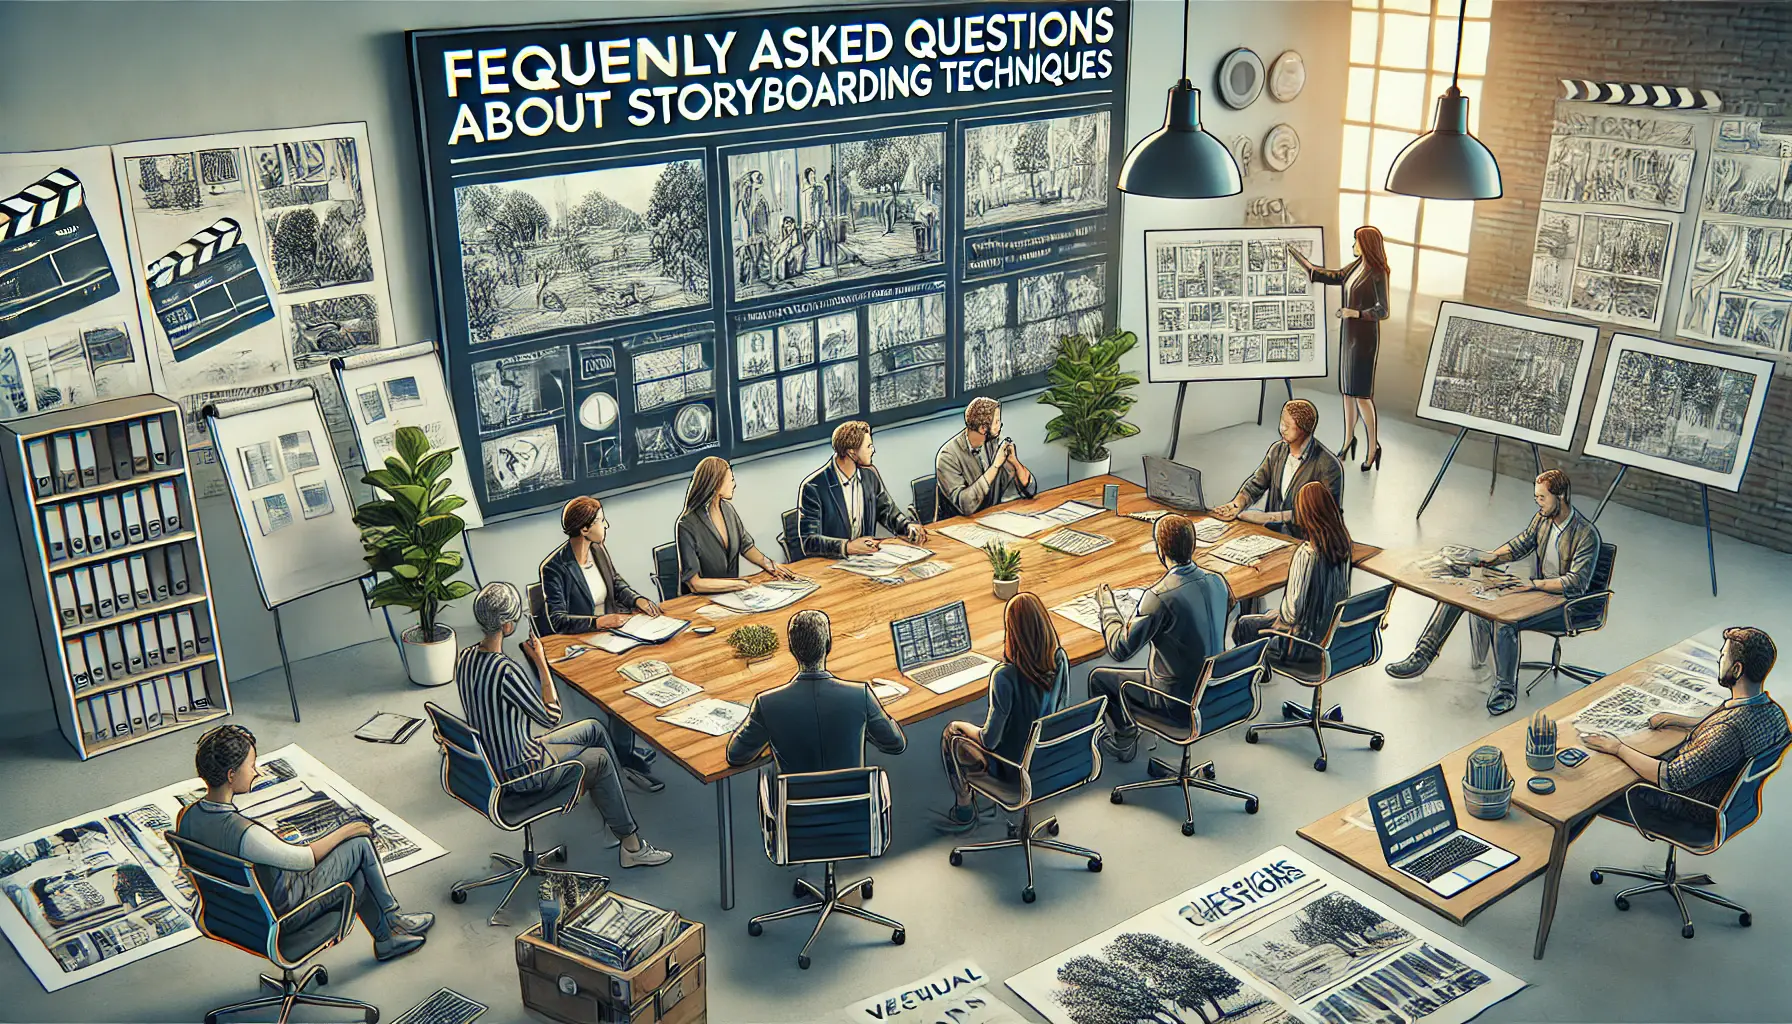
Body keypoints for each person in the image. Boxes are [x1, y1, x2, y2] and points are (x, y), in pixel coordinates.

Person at [456, 584, 672, 868]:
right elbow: (551, 716)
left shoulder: (466, 658)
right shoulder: (505, 670)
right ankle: (631, 846)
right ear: (508, 626)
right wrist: (542, 664)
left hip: (497, 758)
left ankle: (613, 815)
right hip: (522, 771)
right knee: (600, 759)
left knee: (593, 729)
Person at [174, 725, 433, 961]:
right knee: (360, 847)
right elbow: (304, 860)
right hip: (283, 916)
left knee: (354, 864)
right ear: (231, 774)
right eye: (251, 765)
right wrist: (348, 830)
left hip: (233, 917)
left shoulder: (187, 817)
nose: (256, 771)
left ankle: (387, 937)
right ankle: (392, 921)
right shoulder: (245, 834)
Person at [1385, 469, 1603, 716]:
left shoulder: (1586, 534)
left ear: (1560, 496)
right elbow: (1520, 544)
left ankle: (1505, 688)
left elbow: (1577, 582)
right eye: (1536, 497)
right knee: (1463, 593)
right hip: (1536, 590)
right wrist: (1490, 558)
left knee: (1504, 618)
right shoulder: (1542, 520)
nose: (1538, 503)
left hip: (1564, 604)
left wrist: (1533, 584)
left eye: (1542, 498)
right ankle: (1422, 655)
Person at [1578, 627, 1789, 838]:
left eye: (1723, 656)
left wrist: (1617, 748)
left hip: (1686, 809)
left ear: (1736, 669)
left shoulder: (1727, 732)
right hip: (1730, 807)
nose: (1719, 661)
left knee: (1592, 789)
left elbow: (1670, 778)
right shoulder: (1773, 713)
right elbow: (1723, 727)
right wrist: (1680, 720)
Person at [540, 496, 666, 791]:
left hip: (614, 636)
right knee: (623, 687)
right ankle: (624, 759)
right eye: (600, 521)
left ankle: (625, 747)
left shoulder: (599, 551)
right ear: (584, 529)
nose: (606, 525)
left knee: (654, 663)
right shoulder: (555, 568)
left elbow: (617, 585)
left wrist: (637, 599)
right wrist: (598, 622)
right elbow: (558, 620)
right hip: (583, 644)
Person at [1089, 515, 1233, 762]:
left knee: (1099, 679)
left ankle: (1124, 741)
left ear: (1160, 549)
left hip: (1175, 702)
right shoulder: (1218, 580)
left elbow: (1120, 649)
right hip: (1215, 689)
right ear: (1193, 545)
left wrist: (1107, 607)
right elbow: (1229, 605)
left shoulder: (1159, 596)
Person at [935, 593, 1070, 834]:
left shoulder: (1004, 676)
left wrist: (964, 727)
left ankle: (965, 808)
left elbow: (990, 740)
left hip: (1013, 771)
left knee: (952, 733)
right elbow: (1062, 708)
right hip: (1049, 759)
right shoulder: (1059, 659)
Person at [725, 609, 907, 774]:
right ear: (828, 645)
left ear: (791, 648)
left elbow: (736, 756)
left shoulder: (766, 703)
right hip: (853, 806)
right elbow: (896, 744)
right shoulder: (860, 695)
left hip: (796, 807)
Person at [1291, 226, 1391, 471]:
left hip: (1365, 341)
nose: (1353, 246)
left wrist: (1354, 313)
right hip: (1349, 337)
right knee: (1347, 393)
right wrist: (1305, 264)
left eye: (1356, 241)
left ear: (1366, 244)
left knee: (1362, 396)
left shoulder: (1378, 273)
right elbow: (1335, 276)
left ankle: (1372, 449)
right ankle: (1348, 441)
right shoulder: (1355, 267)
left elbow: (1383, 310)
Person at [1233, 481, 1354, 653]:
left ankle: (1256, 672)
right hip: (1327, 632)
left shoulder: (1306, 553)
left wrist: (1276, 619)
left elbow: (1290, 614)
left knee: (1244, 625)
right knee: (1266, 616)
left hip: (1299, 643)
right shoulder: (1343, 547)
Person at [1211, 398, 1344, 538]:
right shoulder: (1277, 450)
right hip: (1272, 537)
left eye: (1287, 425)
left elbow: (1326, 513)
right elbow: (1256, 484)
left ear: (1304, 429)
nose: (1282, 429)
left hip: (1306, 542)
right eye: (1281, 422)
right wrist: (1237, 504)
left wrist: (1269, 518)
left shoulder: (1328, 465)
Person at [798, 420, 929, 558]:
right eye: (869, 446)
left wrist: (908, 526)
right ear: (851, 452)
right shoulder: (814, 487)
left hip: (868, 560)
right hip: (832, 564)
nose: (873, 451)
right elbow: (809, 542)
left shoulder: (869, 476)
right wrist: (848, 547)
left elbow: (888, 512)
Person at [676, 457, 796, 594]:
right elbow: (695, 584)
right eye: (731, 480)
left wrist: (771, 566)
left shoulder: (727, 510)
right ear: (716, 483)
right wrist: (739, 584)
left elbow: (745, 546)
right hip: (699, 602)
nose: (734, 485)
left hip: (731, 594)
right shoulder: (687, 524)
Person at [935, 397, 1036, 519]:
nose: (1000, 426)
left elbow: (1030, 490)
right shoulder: (948, 456)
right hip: (957, 527)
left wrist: (1014, 462)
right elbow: (966, 506)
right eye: (997, 422)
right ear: (983, 428)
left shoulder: (994, 443)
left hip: (991, 520)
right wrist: (995, 466)